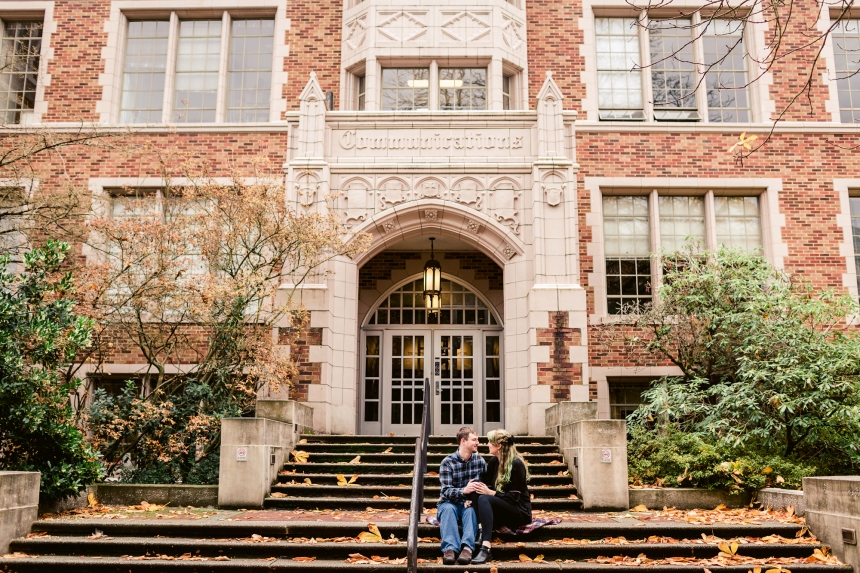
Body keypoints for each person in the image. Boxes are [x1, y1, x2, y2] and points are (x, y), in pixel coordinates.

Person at [468, 428, 532, 564]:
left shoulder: (517, 464)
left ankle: (486, 548)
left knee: (485, 497)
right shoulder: (493, 462)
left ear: (499, 446)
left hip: (518, 510)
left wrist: (491, 493)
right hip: (502, 507)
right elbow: (485, 485)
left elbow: (513, 498)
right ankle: (481, 530)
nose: (487, 445)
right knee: (476, 487)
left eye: (490, 442)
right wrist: (470, 498)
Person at [438, 426, 487, 565]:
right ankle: (450, 549)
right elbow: (446, 491)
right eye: (474, 440)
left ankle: (467, 548)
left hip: (469, 503)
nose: (478, 443)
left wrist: (472, 499)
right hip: (449, 502)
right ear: (463, 441)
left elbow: (485, 485)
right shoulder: (447, 462)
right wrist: (463, 491)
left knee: (470, 511)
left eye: (478, 440)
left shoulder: (480, 461)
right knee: (448, 510)